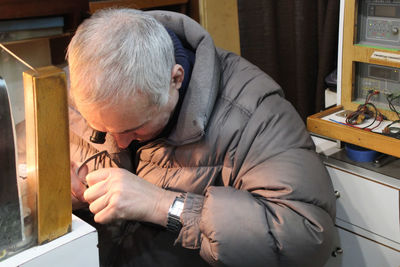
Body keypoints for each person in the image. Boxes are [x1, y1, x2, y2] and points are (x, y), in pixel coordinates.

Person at [67, 8, 336, 267]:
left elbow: (307, 237)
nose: (121, 142)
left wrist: (164, 205)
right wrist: (60, 195)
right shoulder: (89, 75)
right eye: (101, 128)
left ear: (175, 79)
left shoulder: (254, 114)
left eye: (134, 128)